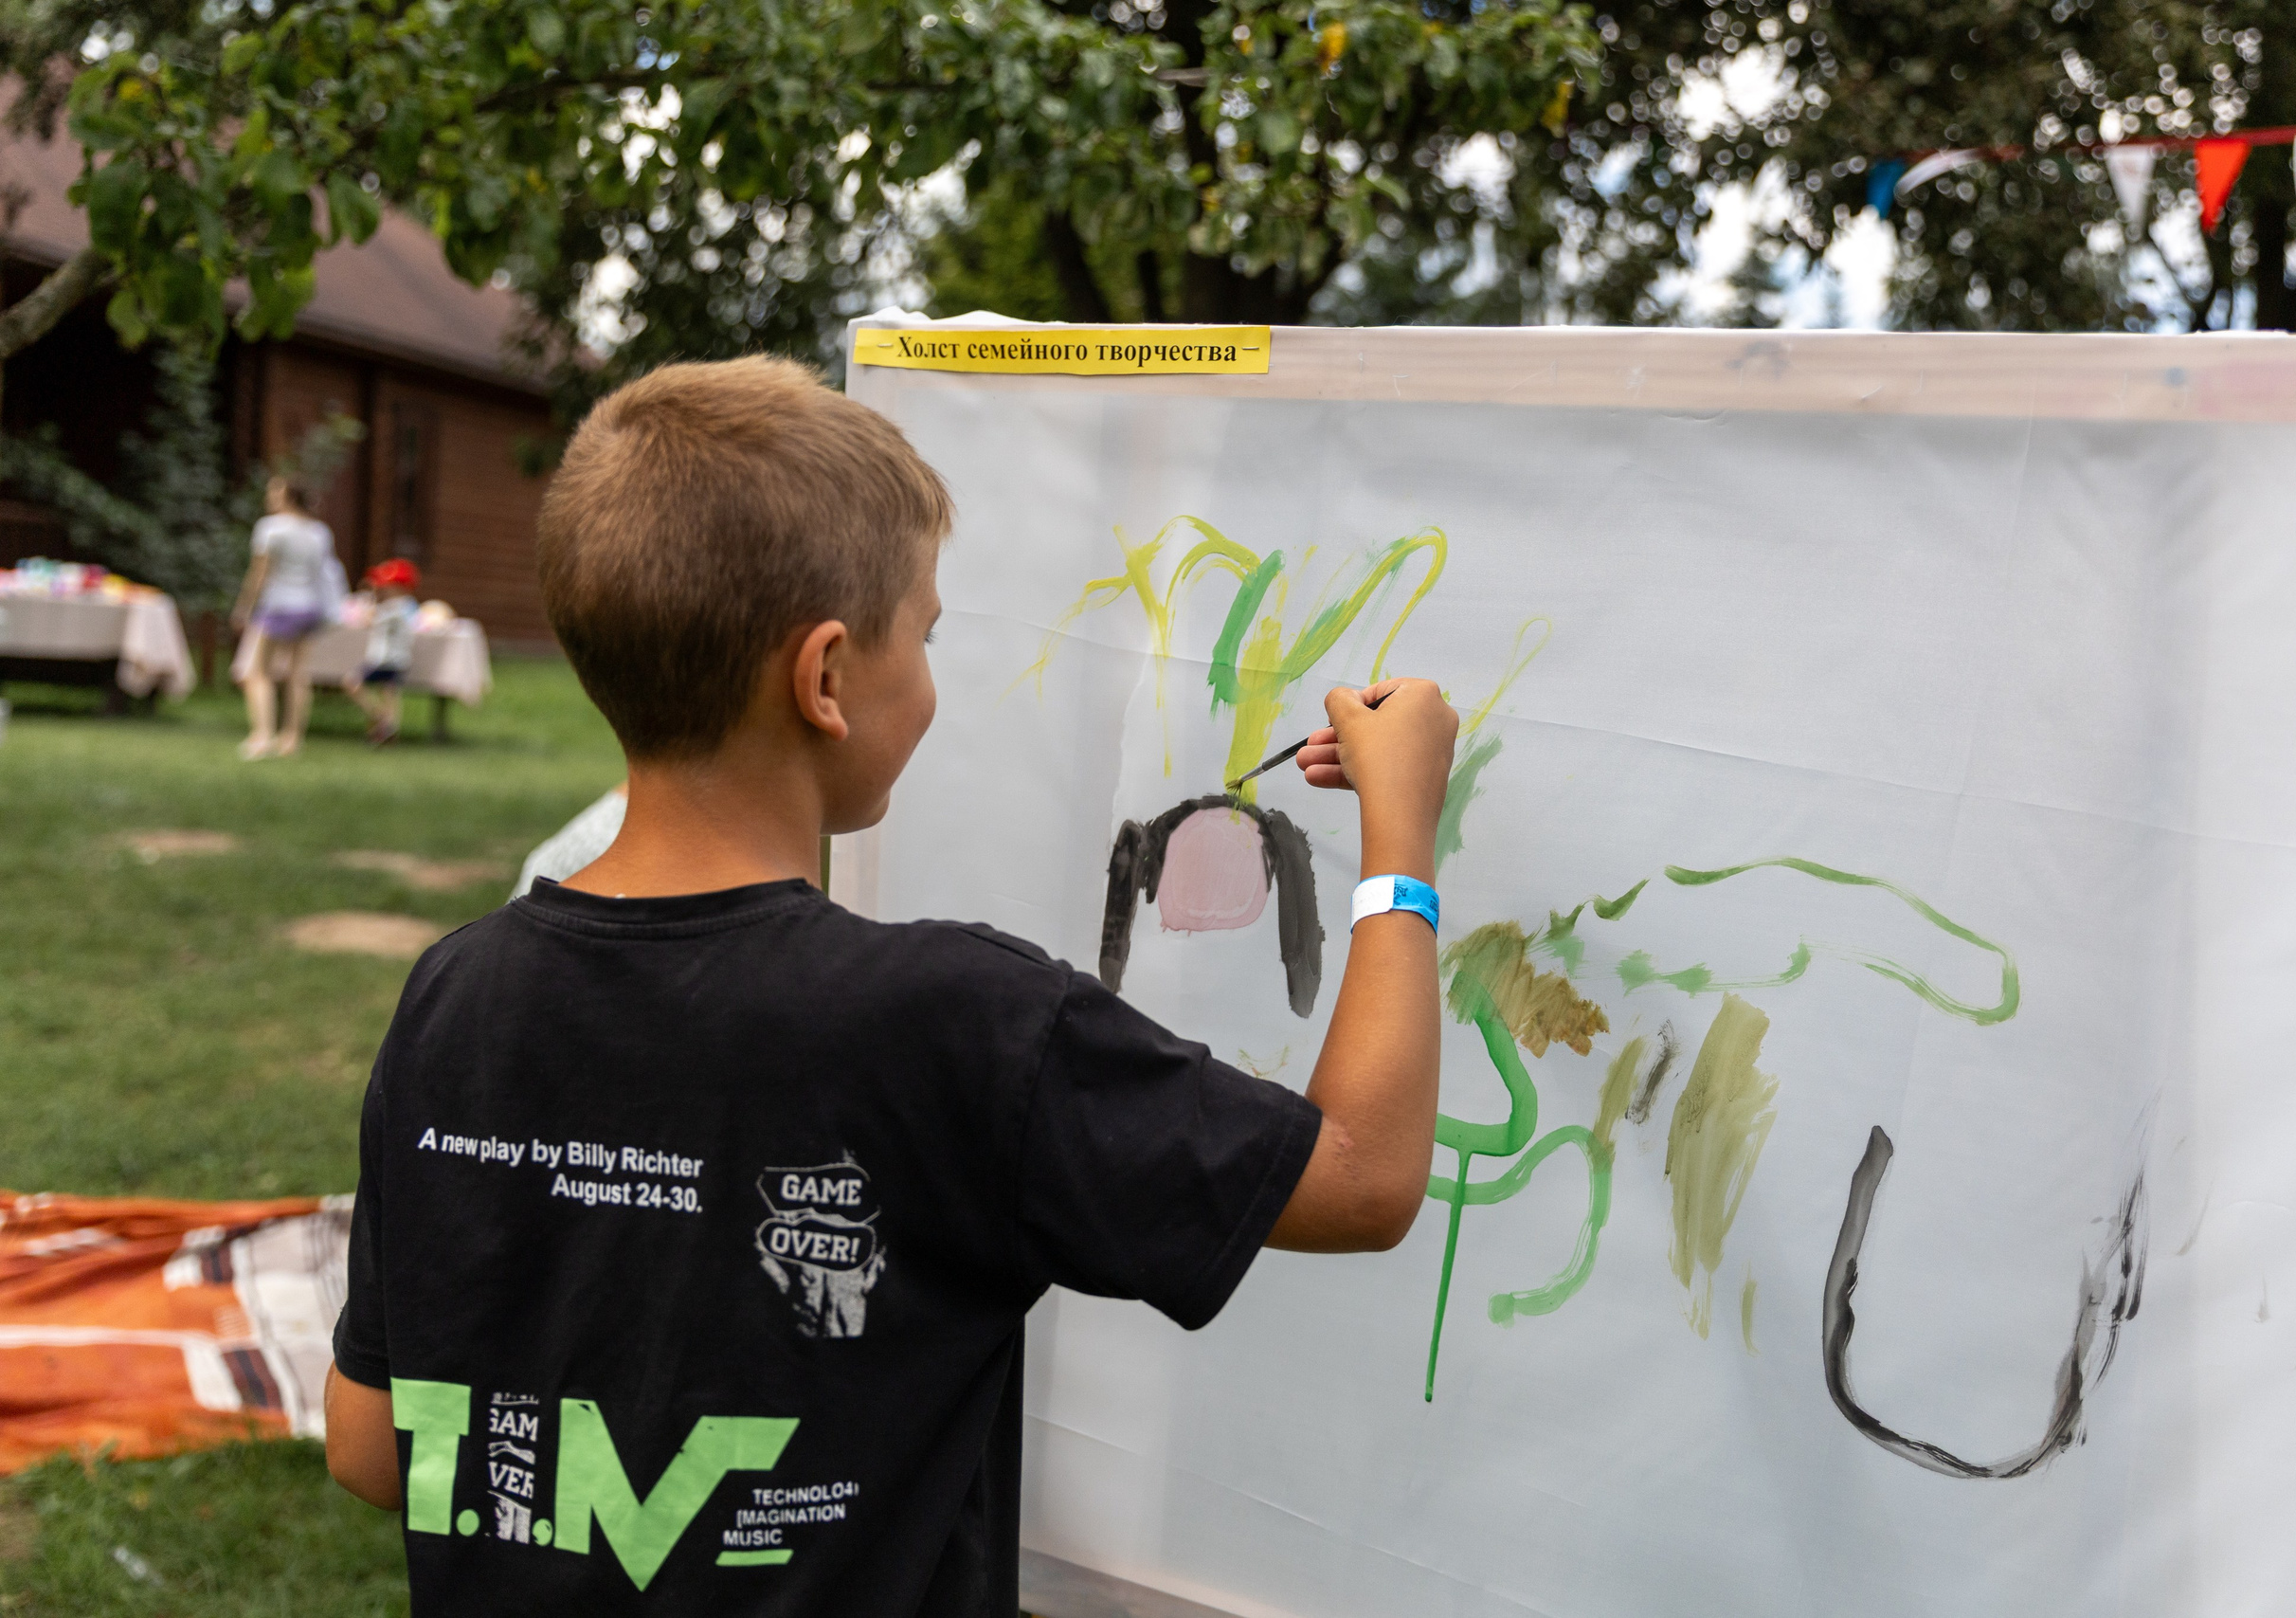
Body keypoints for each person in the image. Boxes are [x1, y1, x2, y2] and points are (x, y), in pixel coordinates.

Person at [320, 356, 1458, 1615]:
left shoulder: (453, 993)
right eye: (922, 632)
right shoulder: (957, 1020)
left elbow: (373, 1447)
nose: (929, 676)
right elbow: (1362, 1172)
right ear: (822, 679)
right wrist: (1403, 841)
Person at [230, 477, 337, 760]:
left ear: (287, 495)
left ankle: (262, 736)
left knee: (257, 672)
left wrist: (243, 608)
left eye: (274, 490)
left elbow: (259, 575)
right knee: (298, 675)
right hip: (310, 607)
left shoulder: (270, 528)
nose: (269, 495)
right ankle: (292, 738)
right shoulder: (319, 532)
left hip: (278, 606)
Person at [345, 557, 421, 746]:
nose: (381, 589)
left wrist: (369, 594)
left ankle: (380, 717)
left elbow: (368, 619)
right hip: (399, 660)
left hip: (384, 660)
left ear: (400, 589)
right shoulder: (408, 608)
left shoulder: (395, 609)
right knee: (389, 693)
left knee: (352, 683)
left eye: (384, 586)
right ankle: (388, 728)